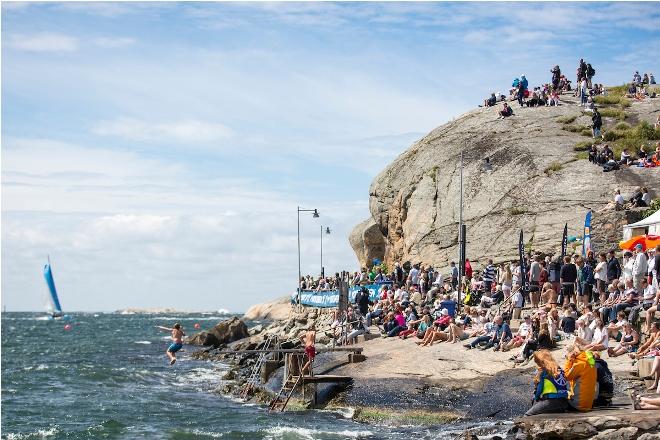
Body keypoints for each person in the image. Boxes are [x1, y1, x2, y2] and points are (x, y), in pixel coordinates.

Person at [524, 349, 570, 416]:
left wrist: (536, 398)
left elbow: (539, 389)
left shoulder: (545, 372)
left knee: (527, 415)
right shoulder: (560, 369)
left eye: (538, 363)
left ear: (541, 362)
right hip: (564, 402)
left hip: (552, 401)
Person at [564, 346, 597, 411]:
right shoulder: (590, 362)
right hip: (588, 404)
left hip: (578, 404)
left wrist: (569, 360)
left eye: (566, 355)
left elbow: (567, 377)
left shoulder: (579, 364)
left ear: (572, 354)